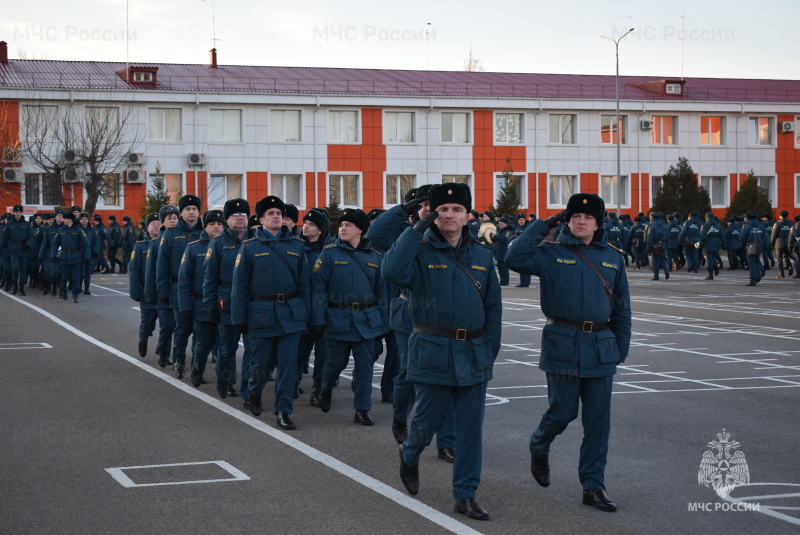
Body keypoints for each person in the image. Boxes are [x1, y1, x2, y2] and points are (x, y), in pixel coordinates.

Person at [506, 192, 632, 513]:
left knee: (598, 422)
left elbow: (622, 308)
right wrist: (545, 224)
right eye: (575, 216)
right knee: (563, 413)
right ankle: (540, 443)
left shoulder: (612, 257)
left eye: (588, 217)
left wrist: (620, 346)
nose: (581, 221)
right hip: (562, 342)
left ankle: (593, 485)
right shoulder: (550, 254)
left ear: (597, 223)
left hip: (601, 348)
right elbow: (513, 258)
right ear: (567, 219)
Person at [383, 182, 502, 521]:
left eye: (456, 210)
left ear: (467, 216)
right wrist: (415, 229)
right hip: (432, 349)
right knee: (426, 422)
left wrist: (489, 350)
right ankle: (410, 453)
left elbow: (493, 307)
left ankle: (465, 494)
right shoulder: (418, 249)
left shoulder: (481, 254)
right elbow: (391, 271)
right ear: (434, 215)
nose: (449, 215)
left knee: (469, 430)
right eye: (442, 210)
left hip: (474, 352)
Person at [231, 196, 310, 430]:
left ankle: (283, 409)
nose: (276, 216)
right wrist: (239, 318)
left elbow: (305, 284)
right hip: (261, 314)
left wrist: (305, 314)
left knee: (288, 365)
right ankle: (253, 395)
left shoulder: (297, 246)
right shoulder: (249, 248)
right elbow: (239, 287)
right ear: (261, 220)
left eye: (279, 213)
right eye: (271, 214)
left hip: (291, 315)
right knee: (260, 364)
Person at [312, 208, 388, 426]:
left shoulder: (375, 257)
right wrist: (318, 319)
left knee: (365, 366)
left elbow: (383, 292)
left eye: (348, 225)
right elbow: (318, 289)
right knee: (336, 363)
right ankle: (325, 388)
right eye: (341, 225)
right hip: (338, 318)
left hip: (367, 320)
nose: (342, 228)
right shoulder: (329, 253)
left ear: (360, 230)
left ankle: (362, 409)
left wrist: (384, 322)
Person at [204, 198, 256, 400]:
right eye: (235, 215)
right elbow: (210, 277)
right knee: (227, 347)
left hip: (253, 302)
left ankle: (248, 388)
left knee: (252, 349)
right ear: (227, 220)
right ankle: (224, 381)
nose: (240, 218)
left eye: (243, 214)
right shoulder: (218, 244)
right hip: (227, 301)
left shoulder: (256, 240)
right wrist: (210, 304)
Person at [156, 194, 203, 379]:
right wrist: (162, 289)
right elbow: (162, 264)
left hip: (201, 290)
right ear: (181, 212)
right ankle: (179, 361)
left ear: (199, 212)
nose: (191, 212)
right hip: (177, 289)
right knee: (182, 329)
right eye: (187, 209)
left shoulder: (204, 233)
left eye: (194, 209)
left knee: (200, 330)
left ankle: (196, 365)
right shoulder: (170, 233)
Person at [179, 210, 225, 387]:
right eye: (212, 223)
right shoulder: (194, 248)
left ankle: (225, 379)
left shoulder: (231, 246)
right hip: (201, 304)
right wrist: (185, 306)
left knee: (224, 344)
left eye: (219, 224)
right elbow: (184, 280)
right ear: (205, 226)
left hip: (224, 304)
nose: (216, 227)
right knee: (203, 342)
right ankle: (197, 368)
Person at [298, 208, 331, 406]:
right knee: (298, 352)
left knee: (323, 354)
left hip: (324, 311)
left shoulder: (330, 251)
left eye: (310, 224)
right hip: (300, 310)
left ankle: (318, 388)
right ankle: (293, 382)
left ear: (320, 230)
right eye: (305, 223)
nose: (305, 226)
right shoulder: (296, 248)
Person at [145, 205, 180, 367]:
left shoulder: (182, 239)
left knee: (179, 326)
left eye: (175, 218)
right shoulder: (156, 243)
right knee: (167, 325)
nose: (173, 221)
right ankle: (164, 352)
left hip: (179, 290)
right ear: (163, 222)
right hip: (162, 290)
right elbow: (152, 271)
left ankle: (171, 353)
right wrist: (151, 294)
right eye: (169, 219)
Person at [130, 213, 161, 358]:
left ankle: (163, 353)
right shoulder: (140, 246)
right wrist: (135, 290)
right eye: (153, 223)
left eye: (159, 223)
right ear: (147, 227)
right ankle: (143, 340)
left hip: (164, 292)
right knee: (147, 324)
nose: (157, 226)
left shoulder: (167, 243)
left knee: (168, 325)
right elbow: (134, 269)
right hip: (146, 292)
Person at [51, 212, 91, 303]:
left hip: (76, 257)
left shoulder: (78, 230)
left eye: (65, 218)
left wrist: (86, 256)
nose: (63, 220)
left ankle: (75, 295)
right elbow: (55, 243)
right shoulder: (61, 230)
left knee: (76, 277)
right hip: (64, 257)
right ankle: (64, 291)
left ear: (69, 219)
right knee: (64, 276)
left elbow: (86, 244)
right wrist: (53, 254)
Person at [0, 205, 35, 296]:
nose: (18, 214)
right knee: (15, 267)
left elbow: (31, 236)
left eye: (20, 212)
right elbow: (4, 239)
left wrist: (28, 245)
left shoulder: (26, 224)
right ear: (14, 212)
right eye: (16, 212)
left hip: (24, 248)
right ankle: (14, 283)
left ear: (22, 212)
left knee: (23, 269)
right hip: (13, 248)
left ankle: (21, 287)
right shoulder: (9, 224)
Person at [77, 212, 101, 295]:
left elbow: (96, 240)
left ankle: (87, 288)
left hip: (90, 253)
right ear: (80, 220)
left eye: (86, 219)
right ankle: (79, 287)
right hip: (80, 253)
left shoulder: (92, 229)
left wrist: (96, 251)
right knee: (80, 271)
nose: (84, 221)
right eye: (82, 219)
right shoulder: (77, 228)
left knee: (88, 271)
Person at [699, 213, 726, 280]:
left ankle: (710, 273)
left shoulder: (705, 226)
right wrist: (724, 245)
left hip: (708, 244)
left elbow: (702, 236)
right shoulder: (718, 226)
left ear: (707, 218)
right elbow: (722, 237)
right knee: (714, 257)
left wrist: (701, 245)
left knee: (710, 259)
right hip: (716, 244)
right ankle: (716, 267)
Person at [741, 211, 765, 286]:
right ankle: (760, 270)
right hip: (759, 245)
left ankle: (753, 280)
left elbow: (742, 237)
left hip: (750, 245)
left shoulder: (747, 226)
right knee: (756, 259)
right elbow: (764, 235)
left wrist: (741, 245)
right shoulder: (761, 226)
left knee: (751, 263)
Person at [645, 212, 669, 281]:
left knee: (655, 261)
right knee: (663, 259)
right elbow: (667, 237)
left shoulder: (652, 227)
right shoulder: (665, 226)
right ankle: (666, 271)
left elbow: (649, 238)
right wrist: (665, 245)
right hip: (663, 244)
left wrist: (648, 248)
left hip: (655, 245)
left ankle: (656, 275)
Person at [771, 210, 794, 278]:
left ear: (780, 216)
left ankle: (781, 273)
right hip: (788, 242)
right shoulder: (790, 224)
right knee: (786, 256)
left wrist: (771, 243)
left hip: (779, 242)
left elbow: (774, 235)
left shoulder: (778, 224)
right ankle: (789, 265)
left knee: (779, 258)